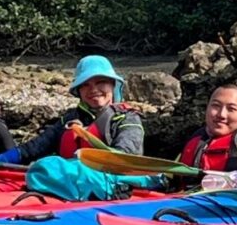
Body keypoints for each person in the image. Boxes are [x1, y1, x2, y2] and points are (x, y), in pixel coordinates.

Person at [15, 55, 145, 163]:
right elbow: (34, 148)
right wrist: (5, 158)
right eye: (85, 85)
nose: (93, 90)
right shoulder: (69, 119)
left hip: (111, 184)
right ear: (79, 91)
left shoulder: (128, 118)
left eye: (101, 82)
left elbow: (126, 154)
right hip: (71, 183)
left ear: (112, 85)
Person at [177, 83, 237, 173]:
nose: (221, 114)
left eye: (231, 109)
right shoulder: (194, 142)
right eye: (216, 106)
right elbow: (169, 173)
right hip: (186, 191)